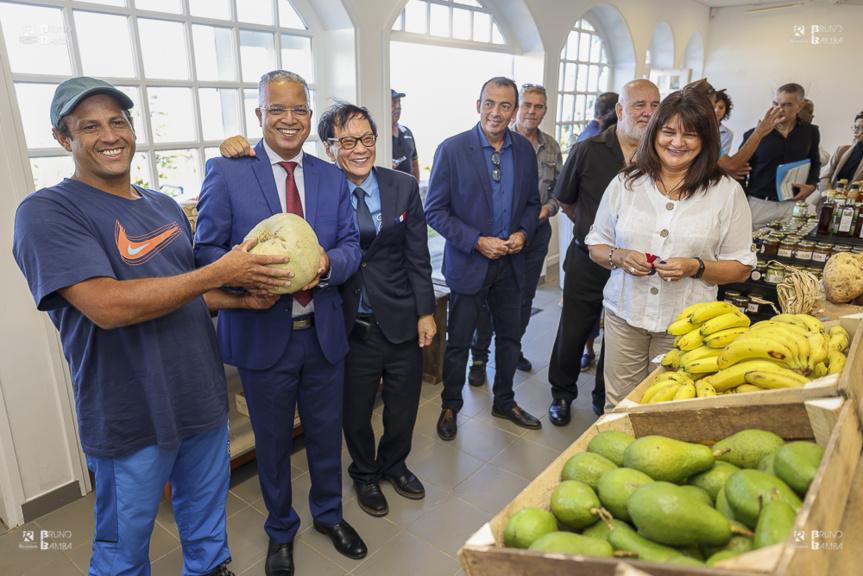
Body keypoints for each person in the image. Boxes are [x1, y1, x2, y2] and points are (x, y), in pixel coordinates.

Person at [12, 77, 292, 576]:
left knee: (206, 528)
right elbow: (106, 306)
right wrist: (217, 271)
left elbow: (186, 293)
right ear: (63, 138)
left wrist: (240, 298)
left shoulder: (162, 206)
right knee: (123, 552)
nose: (109, 135)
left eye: (118, 121)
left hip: (201, 401)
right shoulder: (47, 211)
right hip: (129, 415)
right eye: (89, 126)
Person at [195, 71, 365, 576]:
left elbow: (353, 247)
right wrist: (248, 276)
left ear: (311, 117)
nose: (289, 119)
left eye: (299, 110)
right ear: (260, 115)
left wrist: (327, 265)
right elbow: (206, 252)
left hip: (324, 331)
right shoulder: (227, 172)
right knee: (270, 442)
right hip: (263, 335)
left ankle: (330, 515)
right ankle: (280, 530)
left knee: (324, 432)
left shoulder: (331, 175)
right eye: (277, 109)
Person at [585, 87, 756, 410]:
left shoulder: (726, 192)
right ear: (654, 134)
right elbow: (596, 243)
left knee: (666, 410)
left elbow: (742, 266)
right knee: (618, 406)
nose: (677, 143)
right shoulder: (627, 184)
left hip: (687, 326)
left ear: (706, 139)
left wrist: (696, 267)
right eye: (668, 132)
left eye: (690, 134)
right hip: (625, 316)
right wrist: (618, 257)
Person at [320, 103, 436, 517]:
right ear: (330, 147)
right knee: (355, 410)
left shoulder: (402, 186)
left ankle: (395, 463)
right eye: (347, 141)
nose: (359, 149)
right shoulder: (319, 190)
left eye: (366, 139)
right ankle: (365, 473)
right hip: (351, 325)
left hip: (402, 316)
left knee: (404, 404)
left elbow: (417, 257)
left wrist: (426, 312)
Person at [425, 76, 542, 441]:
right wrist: (477, 241)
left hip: (510, 263)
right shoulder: (452, 149)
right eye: (489, 103)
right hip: (469, 263)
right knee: (459, 341)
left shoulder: (523, 149)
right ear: (478, 105)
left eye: (505, 106)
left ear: (514, 111)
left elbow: (532, 204)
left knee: (509, 338)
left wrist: (523, 232)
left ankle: (504, 401)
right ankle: (450, 405)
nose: (496, 112)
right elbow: (435, 211)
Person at [548, 79, 660, 424]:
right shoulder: (588, 149)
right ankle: (562, 395)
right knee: (574, 330)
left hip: (634, 267)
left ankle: (603, 397)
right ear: (620, 110)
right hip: (587, 260)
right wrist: (594, 233)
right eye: (639, 105)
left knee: (619, 334)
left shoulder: (661, 156)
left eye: (655, 105)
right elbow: (565, 200)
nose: (648, 112)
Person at [468, 83, 562, 384]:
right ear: (516, 108)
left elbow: (558, 190)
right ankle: (480, 357)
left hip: (534, 234)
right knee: (483, 299)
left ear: (544, 110)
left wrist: (547, 209)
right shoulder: (494, 141)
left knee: (523, 297)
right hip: (496, 236)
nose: (532, 111)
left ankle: (511, 348)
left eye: (539, 106)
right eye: (527, 105)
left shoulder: (551, 146)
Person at [739, 83, 821, 229]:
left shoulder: (810, 132)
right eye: (776, 104)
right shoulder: (755, 134)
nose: (779, 109)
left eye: (786, 105)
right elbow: (738, 170)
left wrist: (811, 186)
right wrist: (743, 203)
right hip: (759, 205)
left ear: (800, 106)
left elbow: (815, 162)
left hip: (792, 206)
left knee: (787, 251)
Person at [819, 111, 863, 191]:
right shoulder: (841, 150)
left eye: (860, 128)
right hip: (829, 200)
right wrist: (830, 196)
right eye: (854, 127)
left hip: (855, 202)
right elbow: (824, 177)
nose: (855, 131)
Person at [392, 89, 421, 180]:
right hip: (388, 190)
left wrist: (416, 188)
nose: (398, 107)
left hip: (408, 191)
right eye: (393, 102)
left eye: (399, 102)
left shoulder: (407, 132)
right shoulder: (378, 135)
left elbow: (414, 164)